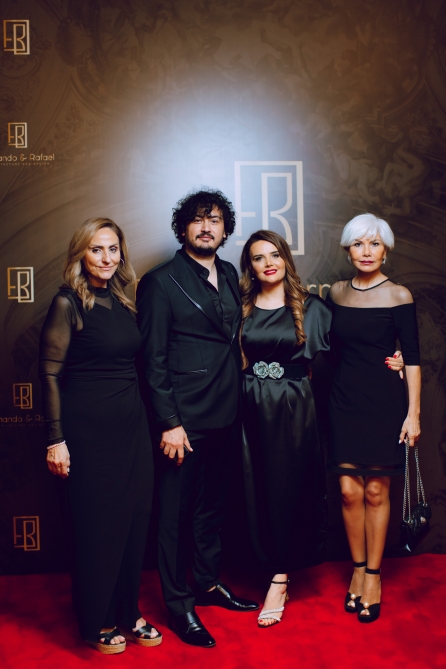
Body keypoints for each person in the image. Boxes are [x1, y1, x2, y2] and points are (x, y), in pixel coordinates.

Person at [136, 189, 259, 649]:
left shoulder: (229, 274)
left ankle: (207, 583)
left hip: (227, 413)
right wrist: (169, 422)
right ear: (183, 228)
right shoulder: (160, 281)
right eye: (197, 219)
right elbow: (152, 359)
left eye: (215, 220)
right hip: (183, 422)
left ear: (225, 230)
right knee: (173, 517)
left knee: (212, 509)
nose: (207, 227)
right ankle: (179, 604)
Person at [39, 218, 161, 654]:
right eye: (96, 249)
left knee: (134, 519)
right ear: (81, 255)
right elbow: (49, 375)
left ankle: (129, 611)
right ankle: (98, 621)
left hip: (132, 427)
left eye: (113, 249)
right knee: (98, 526)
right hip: (87, 431)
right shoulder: (67, 303)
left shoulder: (124, 302)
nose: (107, 258)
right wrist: (56, 440)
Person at [326, 213, 421, 623]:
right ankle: (357, 567)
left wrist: (413, 414)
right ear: (348, 249)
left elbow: (412, 358)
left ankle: (373, 576)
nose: (366, 251)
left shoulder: (399, 295)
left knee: (377, 492)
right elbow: (326, 345)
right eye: (358, 243)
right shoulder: (335, 293)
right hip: (342, 400)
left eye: (375, 243)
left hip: (383, 402)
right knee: (349, 491)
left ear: (386, 250)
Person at [239, 230, 331, 627]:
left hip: (291, 404)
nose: (268, 263)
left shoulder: (312, 307)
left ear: (286, 259)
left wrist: (394, 357)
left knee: (285, 487)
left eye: (274, 254)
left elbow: (349, 350)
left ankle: (279, 578)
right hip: (249, 404)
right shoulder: (242, 306)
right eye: (258, 257)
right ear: (250, 266)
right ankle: (262, 562)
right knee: (253, 486)